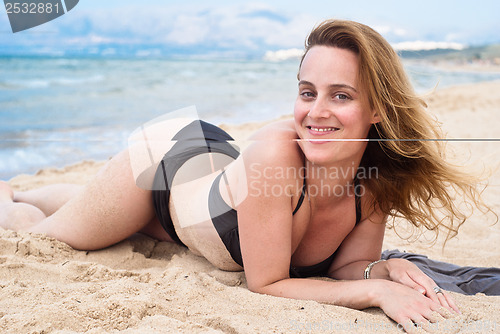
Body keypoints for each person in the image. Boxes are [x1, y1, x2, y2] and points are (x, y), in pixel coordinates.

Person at [0, 19, 497, 331]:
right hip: (162, 171)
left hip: (201, 193)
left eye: (340, 95)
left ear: (376, 111)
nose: (316, 112)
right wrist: (374, 291)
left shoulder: (374, 180)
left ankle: (28, 190)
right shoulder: (276, 156)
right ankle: (9, 195)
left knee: (83, 206)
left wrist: (378, 271)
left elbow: (348, 268)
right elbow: (267, 283)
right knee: (41, 233)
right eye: (307, 92)